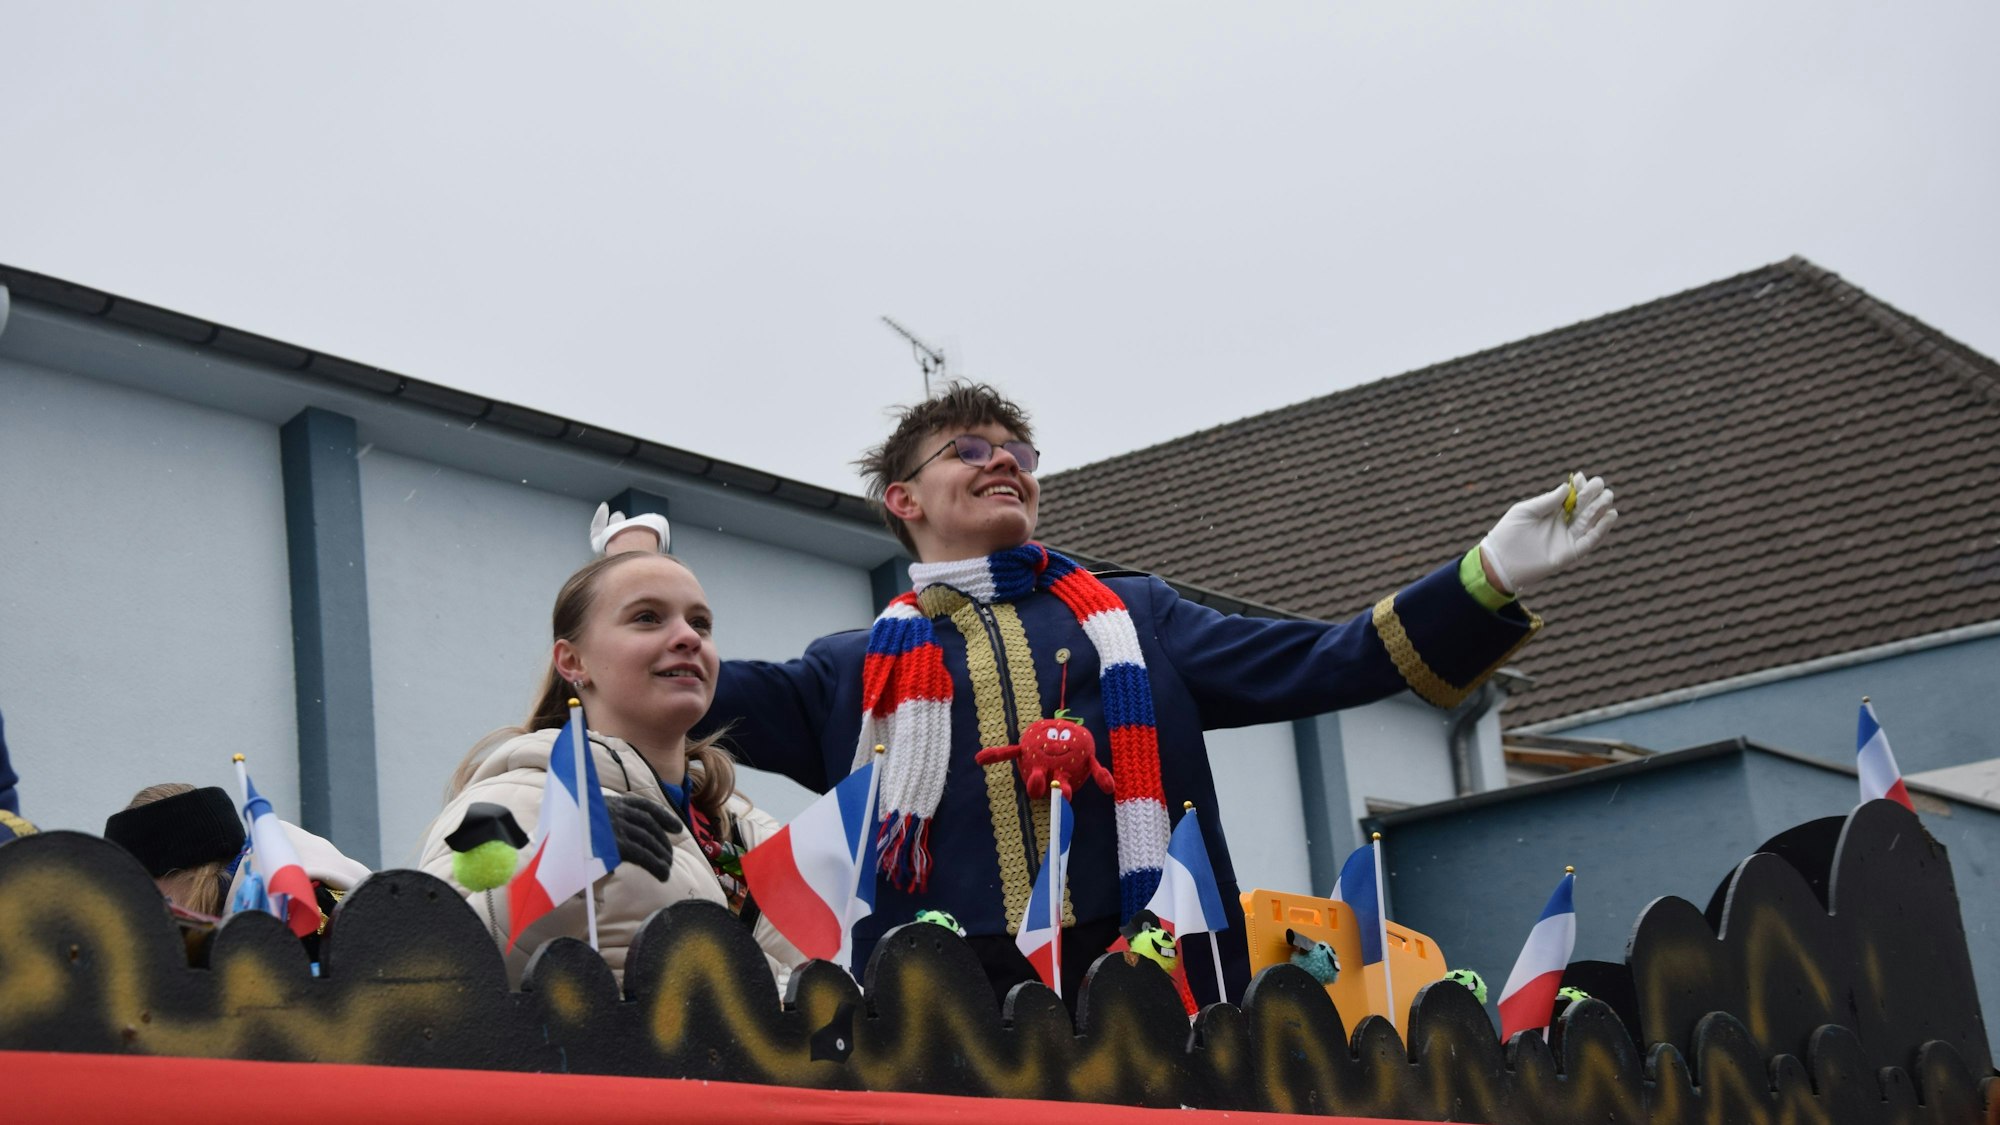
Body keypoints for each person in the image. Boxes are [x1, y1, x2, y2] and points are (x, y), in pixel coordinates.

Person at [599, 382, 1617, 1005]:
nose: (1003, 461)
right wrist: (630, 588)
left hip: (1152, 976)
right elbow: (671, 691)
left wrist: (1484, 576)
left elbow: (1333, 659)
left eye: (1018, 452)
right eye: (969, 449)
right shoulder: (844, 669)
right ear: (901, 501)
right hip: (932, 995)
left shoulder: (1139, 618)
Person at [417, 550, 803, 989]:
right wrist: (561, 863)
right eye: (647, 617)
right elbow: (433, 958)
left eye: (700, 624)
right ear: (572, 662)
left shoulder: (757, 834)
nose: (688, 637)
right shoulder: (507, 799)